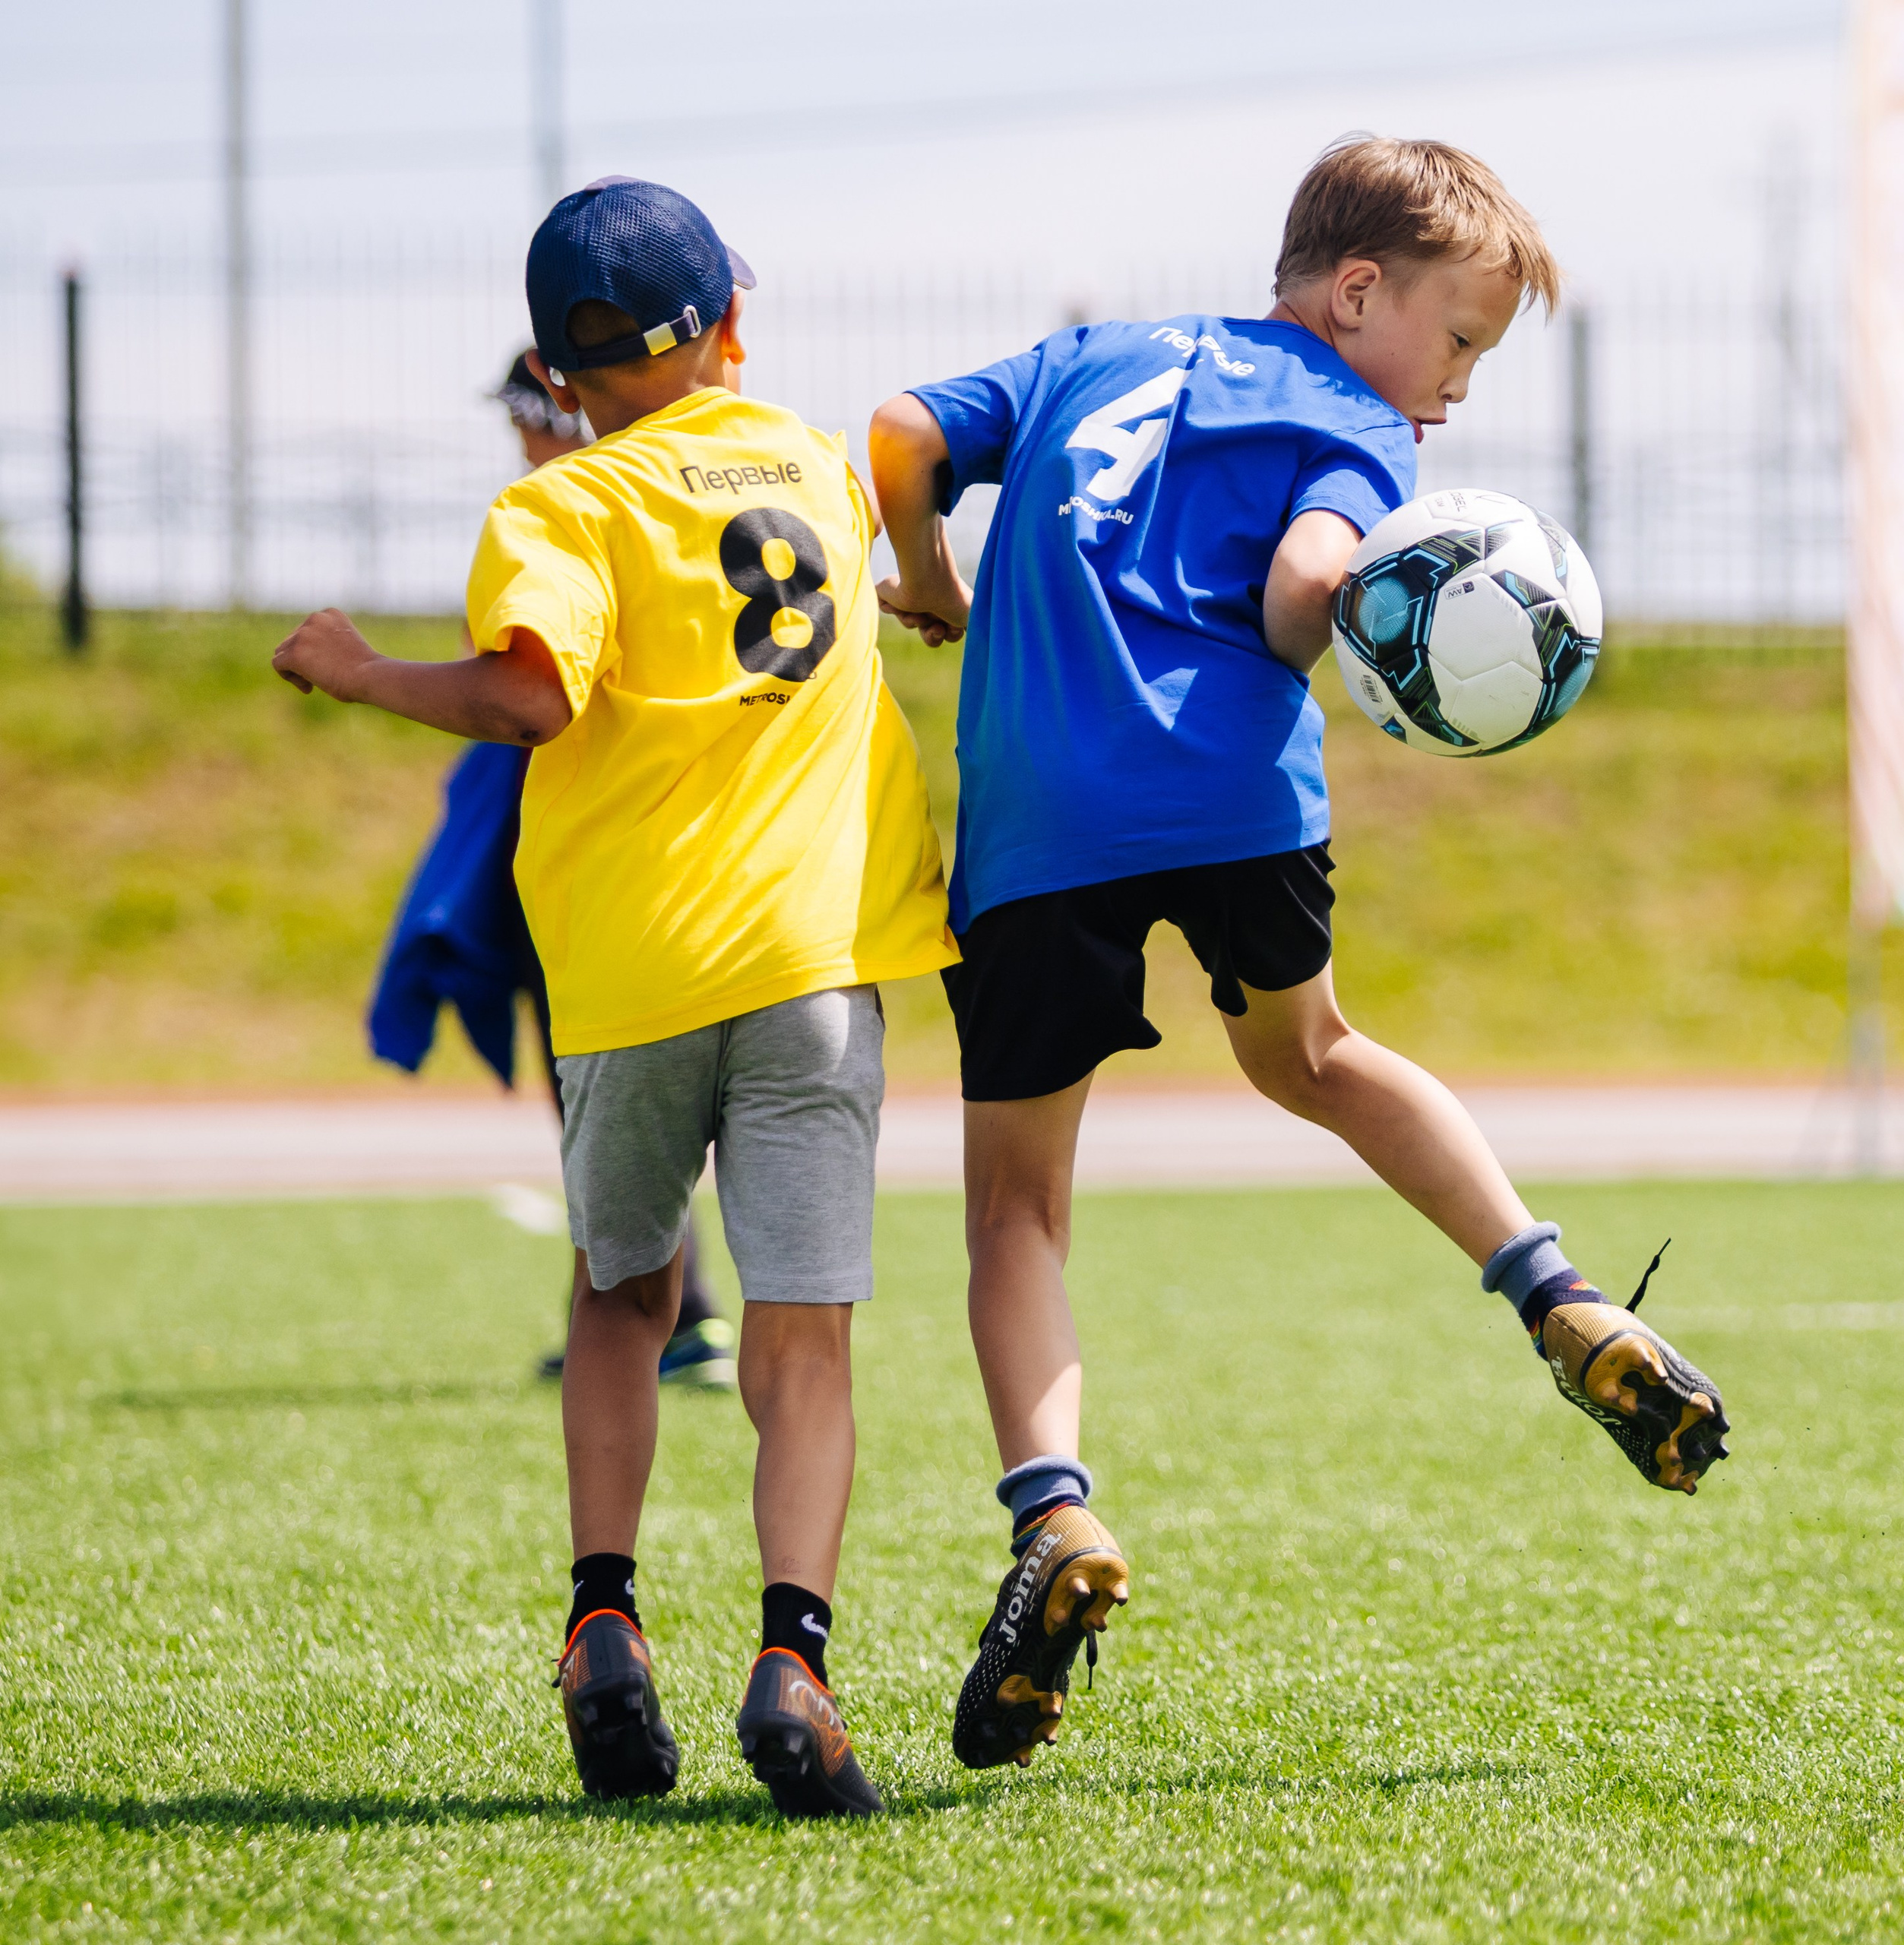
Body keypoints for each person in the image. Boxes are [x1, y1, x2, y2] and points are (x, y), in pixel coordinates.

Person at [869, 136, 1732, 1776]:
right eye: (1459, 340)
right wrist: (1373, 626)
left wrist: (933, 579)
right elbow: (1302, 587)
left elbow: (900, 437)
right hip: (1231, 788)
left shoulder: (1082, 360)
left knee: (1016, 1206)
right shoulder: (1347, 416)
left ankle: (1051, 1515)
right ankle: (1552, 1294)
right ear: (1355, 294)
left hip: (1041, 817)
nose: (1457, 385)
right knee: (1313, 1054)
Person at [274, 177, 957, 1817]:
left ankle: (602, 1620)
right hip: (809, 965)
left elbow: (531, 691)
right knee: (802, 1332)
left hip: (629, 973)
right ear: (730, 319)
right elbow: (861, 576)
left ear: (557, 378)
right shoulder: (808, 458)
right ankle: (793, 1655)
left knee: (621, 1298)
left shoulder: (560, 504)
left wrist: (359, 670)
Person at [368, 353, 735, 1391]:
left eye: (521, 422)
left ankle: (666, 1318)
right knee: (633, 1101)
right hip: (698, 852)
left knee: (609, 1100)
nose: (517, 444)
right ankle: (683, 1314)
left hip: (594, 859)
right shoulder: (680, 487)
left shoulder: (566, 505)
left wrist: (360, 673)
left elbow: (511, 681)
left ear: (548, 411)